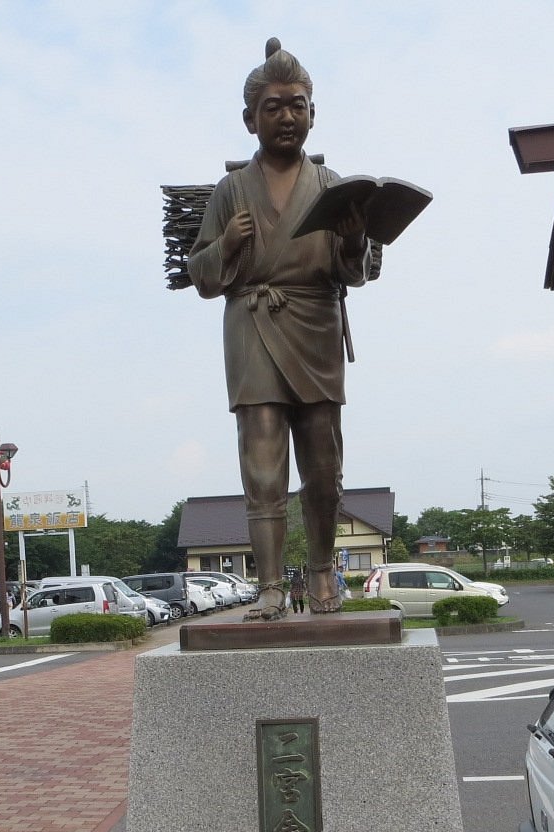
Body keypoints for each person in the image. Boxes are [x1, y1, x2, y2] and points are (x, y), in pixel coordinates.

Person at [188, 38, 368, 620]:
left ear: (313, 113)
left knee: (323, 464)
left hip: (316, 323)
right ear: (250, 119)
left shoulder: (332, 184)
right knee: (262, 462)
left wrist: (354, 242)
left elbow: (355, 273)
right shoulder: (231, 190)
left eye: (297, 105)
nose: (287, 116)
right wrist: (227, 244)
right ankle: (269, 585)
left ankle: (321, 574)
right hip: (253, 322)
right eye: (273, 107)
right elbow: (199, 274)